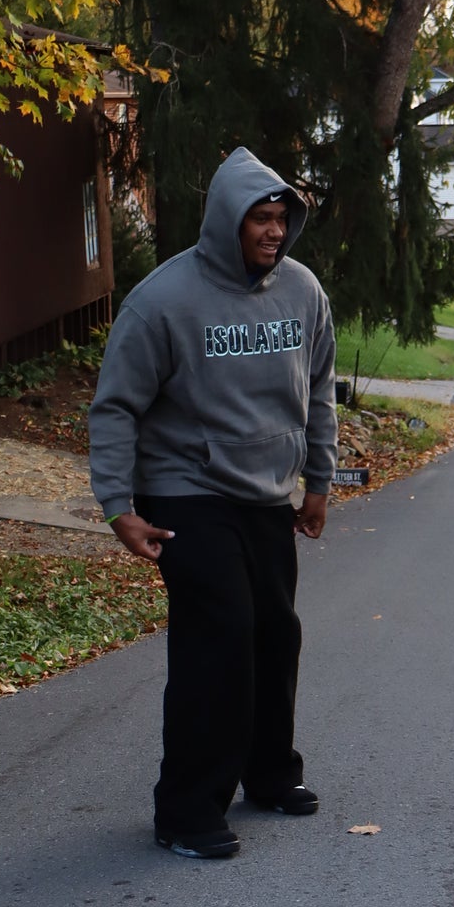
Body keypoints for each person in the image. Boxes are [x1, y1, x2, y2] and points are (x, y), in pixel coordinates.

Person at [89, 147, 337, 860]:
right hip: (184, 488)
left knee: (273, 632)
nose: (271, 231)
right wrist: (116, 506)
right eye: (258, 217)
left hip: (266, 489)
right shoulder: (163, 301)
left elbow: (317, 389)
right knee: (219, 635)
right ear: (228, 221)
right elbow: (115, 410)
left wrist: (316, 481)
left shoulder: (302, 291)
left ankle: (267, 773)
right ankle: (188, 812)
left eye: (280, 218)